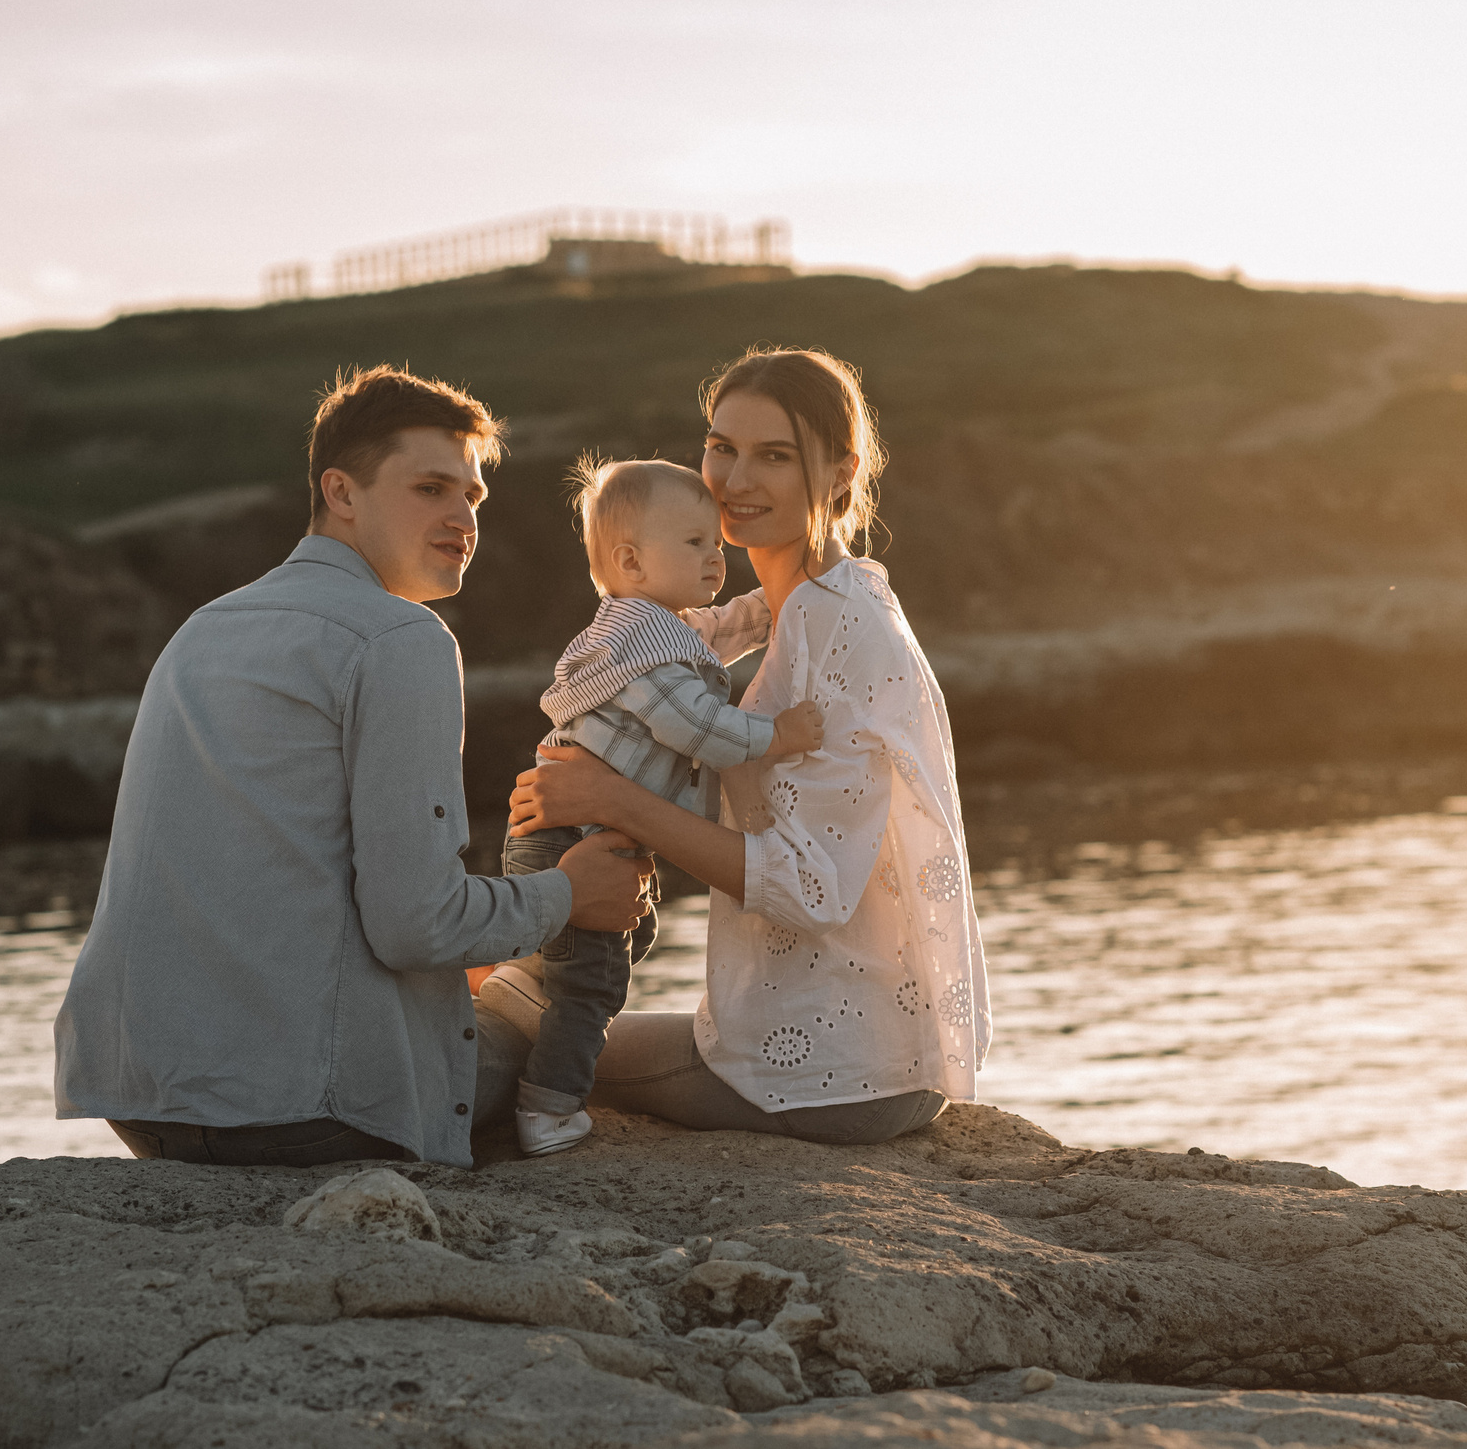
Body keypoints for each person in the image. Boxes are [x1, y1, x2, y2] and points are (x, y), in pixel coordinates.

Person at [53, 364, 649, 1169]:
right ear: (341, 491)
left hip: (142, 1102)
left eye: (471, 497)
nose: (462, 518)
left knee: (483, 980)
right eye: (431, 488)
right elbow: (415, 925)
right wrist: (572, 891)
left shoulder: (203, 628)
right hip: (306, 1113)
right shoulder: (401, 640)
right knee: (544, 1003)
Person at [487, 347, 989, 1145]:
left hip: (826, 1071)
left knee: (528, 1019)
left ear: (839, 471)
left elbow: (809, 888)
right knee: (533, 987)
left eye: (775, 455)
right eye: (722, 446)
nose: (734, 479)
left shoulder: (842, 628)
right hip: (829, 1044)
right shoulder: (804, 604)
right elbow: (676, 660)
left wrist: (610, 800)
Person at [495, 457, 825, 1156]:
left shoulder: (644, 626)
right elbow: (701, 725)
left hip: (560, 830)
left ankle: (525, 983)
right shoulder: (648, 657)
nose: (716, 555)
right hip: (568, 838)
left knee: (627, 940)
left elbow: (726, 628)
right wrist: (778, 735)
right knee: (595, 983)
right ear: (631, 561)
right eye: (695, 543)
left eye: (716, 542)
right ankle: (547, 1106)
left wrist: (781, 596)